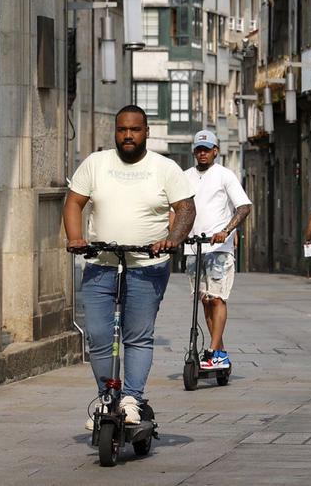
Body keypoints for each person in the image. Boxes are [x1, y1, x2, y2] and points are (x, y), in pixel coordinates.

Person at [63, 105, 196, 426]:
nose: (127, 135)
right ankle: (107, 398)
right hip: (99, 262)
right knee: (97, 334)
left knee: (137, 336)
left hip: (147, 266)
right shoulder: (96, 164)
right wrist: (76, 237)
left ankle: (132, 399)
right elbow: (74, 202)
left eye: (134, 130)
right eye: (122, 129)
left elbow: (185, 209)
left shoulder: (165, 168)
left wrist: (172, 239)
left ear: (146, 132)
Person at [182, 130, 252, 370]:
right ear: (194, 152)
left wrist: (226, 230)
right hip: (193, 248)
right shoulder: (185, 176)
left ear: (215, 151)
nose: (202, 153)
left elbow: (243, 207)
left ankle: (212, 350)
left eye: (207, 149)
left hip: (219, 248)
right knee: (204, 299)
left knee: (217, 298)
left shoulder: (224, 175)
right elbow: (177, 210)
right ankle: (218, 352)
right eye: (199, 149)